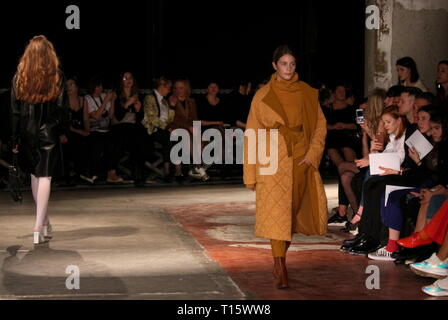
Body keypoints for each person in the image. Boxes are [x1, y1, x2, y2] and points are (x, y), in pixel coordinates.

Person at [244, 45, 327, 289]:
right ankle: (280, 265)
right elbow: (253, 133)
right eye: (283, 64)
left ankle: (280, 258)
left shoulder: (307, 93)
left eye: (292, 64)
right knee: (276, 214)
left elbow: (320, 126)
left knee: (289, 214)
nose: (288, 68)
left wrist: (312, 155)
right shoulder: (262, 95)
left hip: (300, 157)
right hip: (272, 159)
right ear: (274, 65)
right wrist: (251, 173)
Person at [10, 35, 69, 244]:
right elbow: (62, 108)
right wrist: (62, 130)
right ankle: (38, 225)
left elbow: (15, 111)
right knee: (44, 177)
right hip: (49, 131)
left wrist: (15, 138)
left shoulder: (20, 76)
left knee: (36, 176)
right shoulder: (56, 75)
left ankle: (43, 222)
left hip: (27, 132)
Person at [84, 76, 122, 184]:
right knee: (99, 144)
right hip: (94, 130)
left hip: (106, 130)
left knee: (116, 143)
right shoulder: (88, 99)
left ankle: (112, 173)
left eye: (101, 86)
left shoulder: (104, 96)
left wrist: (113, 101)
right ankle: (97, 174)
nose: (101, 88)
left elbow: (110, 116)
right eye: (98, 86)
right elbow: (96, 116)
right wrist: (105, 101)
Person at [111, 72, 145, 186]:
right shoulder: (116, 95)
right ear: (121, 81)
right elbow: (118, 116)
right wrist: (126, 104)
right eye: (125, 78)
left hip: (132, 127)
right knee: (130, 136)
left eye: (130, 77)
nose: (128, 80)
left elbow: (140, 118)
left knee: (140, 138)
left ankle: (138, 175)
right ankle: (135, 174)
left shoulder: (137, 95)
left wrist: (139, 110)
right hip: (119, 126)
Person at [142, 76, 175, 182]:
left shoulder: (164, 101)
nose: (169, 91)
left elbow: (169, 119)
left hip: (163, 129)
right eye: (168, 88)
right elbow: (151, 118)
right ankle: (167, 170)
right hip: (153, 129)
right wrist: (166, 127)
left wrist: (172, 107)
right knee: (168, 137)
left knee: (176, 136)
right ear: (162, 87)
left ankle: (173, 169)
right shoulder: (149, 98)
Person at [168, 78, 199, 181]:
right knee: (183, 136)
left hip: (189, 129)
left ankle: (196, 168)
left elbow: (194, 118)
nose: (178, 90)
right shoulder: (171, 100)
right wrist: (188, 127)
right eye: (176, 88)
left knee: (196, 136)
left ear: (186, 89)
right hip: (175, 128)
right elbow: (173, 118)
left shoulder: (191, 101)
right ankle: (180, 171)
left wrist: (194, 128)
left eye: (181, 88)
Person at [62, 76, 90, 185]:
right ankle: (69, 175)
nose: (68, 87)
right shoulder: (62, 101)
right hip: (67, 131)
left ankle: (84, 173)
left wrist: (87, 130)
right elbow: (60, 121)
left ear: (77, 87)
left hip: (78, 130)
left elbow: (86, 119)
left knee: (89, 140)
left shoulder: (83, 100)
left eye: (71, 84)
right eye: (66, 85)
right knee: (71, 141)